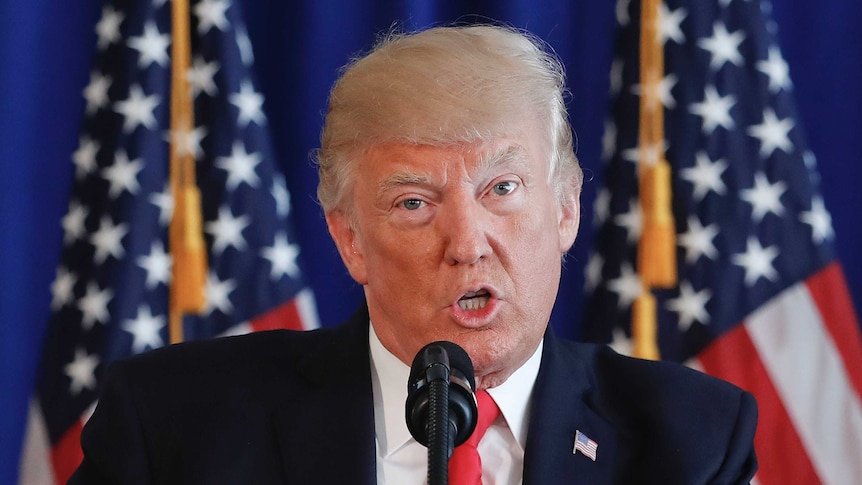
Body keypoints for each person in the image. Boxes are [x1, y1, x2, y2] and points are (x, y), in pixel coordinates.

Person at [69, 24, 757, 484]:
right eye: (413, 203)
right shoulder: (171, 427)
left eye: (503, 188)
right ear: (348, 239)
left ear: (567, 208)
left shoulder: (694, 442)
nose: (467, 243)